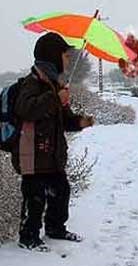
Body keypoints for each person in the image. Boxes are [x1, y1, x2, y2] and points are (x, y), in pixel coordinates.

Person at [12, 33, 94, 252]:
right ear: (52, 56)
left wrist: (80, 122)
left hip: (52, 155)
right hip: (33, 154)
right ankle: (28, 236)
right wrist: (54, 99)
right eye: (65, 55)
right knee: (35, 198)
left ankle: (55, 228)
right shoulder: (33, 82)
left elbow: (64, 119)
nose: (68, 60)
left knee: (61, 191)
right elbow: (26, 109)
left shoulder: (55, 84)